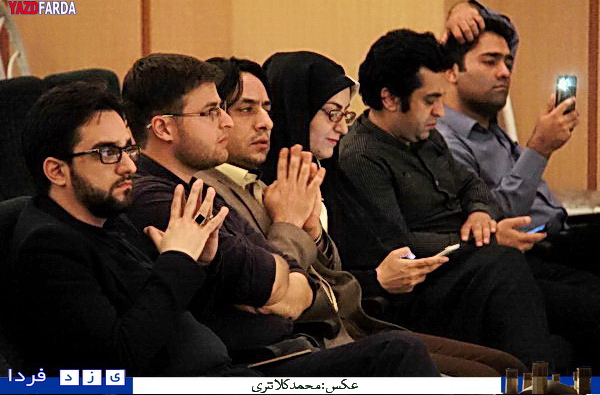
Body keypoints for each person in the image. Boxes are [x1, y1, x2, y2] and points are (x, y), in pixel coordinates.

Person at [122, 52, 440, 377]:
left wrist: (301, 251)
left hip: (300, 342)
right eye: (211, 112)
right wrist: (287, 232)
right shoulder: (161, 198)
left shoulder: (198, 188)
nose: (226, 122)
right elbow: (278, 290)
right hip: (252, 363)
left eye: (266, 108)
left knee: (424, 355)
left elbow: (294, 282)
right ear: (164, 128)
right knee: (401, 353)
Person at [245, 51, 525, 376]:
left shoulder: (331, 173)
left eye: (345, 115)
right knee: (497, 285)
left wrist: (479, 215)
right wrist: (376, 279)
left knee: (509, 362)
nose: (342, 127)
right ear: (297, 110)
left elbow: (468, 186)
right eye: (332, 114)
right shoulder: (271, 189)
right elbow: (295, 287)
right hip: (335, 326)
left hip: (368, 310)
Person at [333, 28, 572, 370]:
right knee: (506, 267)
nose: (440, 112)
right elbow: (397, 243)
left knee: (578, 299)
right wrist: (484, 239)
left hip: (475, 264)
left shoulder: (425, 137)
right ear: (390, 99)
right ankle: (535, 385)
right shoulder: (362, 155)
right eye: (429, 100)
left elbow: (472, 185)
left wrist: (479, 214)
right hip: (423, 286)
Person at [4, 81, 245, 377]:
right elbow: (115, 361)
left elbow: (170, 312)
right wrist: (177, 260)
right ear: (57, 171)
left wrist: (199, 262)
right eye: (108, 152)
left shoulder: (107, 217)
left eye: (128, 148)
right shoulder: (48, 248)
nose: (130, 166)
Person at [437, 4, 600, 369]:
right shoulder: (446, 139)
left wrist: (468, 8)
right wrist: (539, 149)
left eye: (508, 62)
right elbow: (492, 219)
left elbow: (509, 33)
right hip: (516, 258)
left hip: (559, 239)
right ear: (452, 71)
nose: (505, 72)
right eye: (490, 61)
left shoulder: (490, 129)